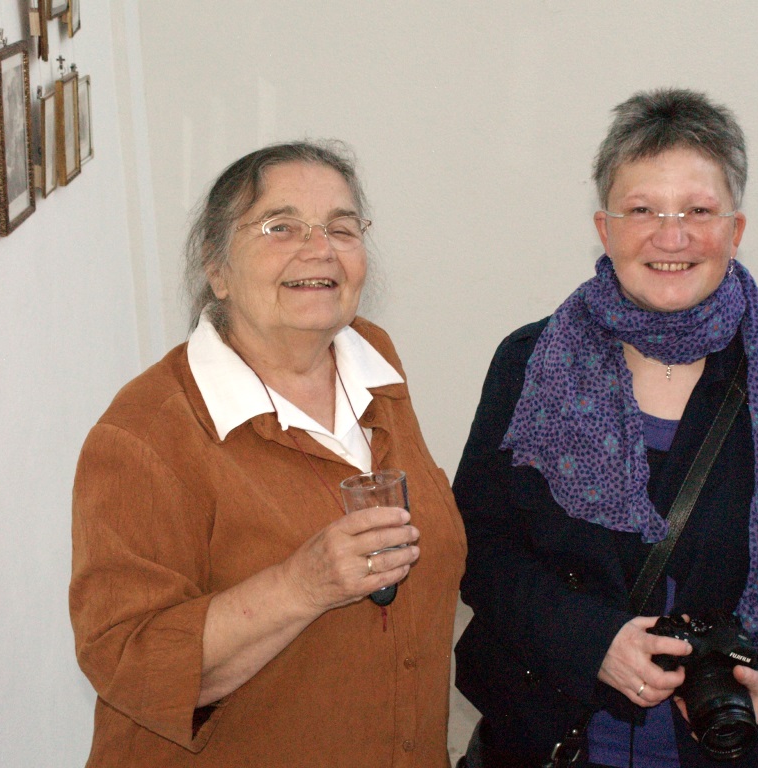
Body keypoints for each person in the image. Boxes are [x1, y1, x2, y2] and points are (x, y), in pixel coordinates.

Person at [453, 90, 758, 767]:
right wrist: (591, 642)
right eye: (642, 210)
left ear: (735, 230)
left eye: (697, 210)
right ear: (604, 229)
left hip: (744, 742)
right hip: (565, 736)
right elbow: (480, 542)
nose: (671, 235)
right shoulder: (530, 364)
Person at [70, 141, 466, 767]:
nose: (320, 249)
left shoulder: (374, 360)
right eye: (281, 227)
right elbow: (131, 665)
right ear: (217, 268)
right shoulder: (145, 434)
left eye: (342, 227)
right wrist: (301, 585)